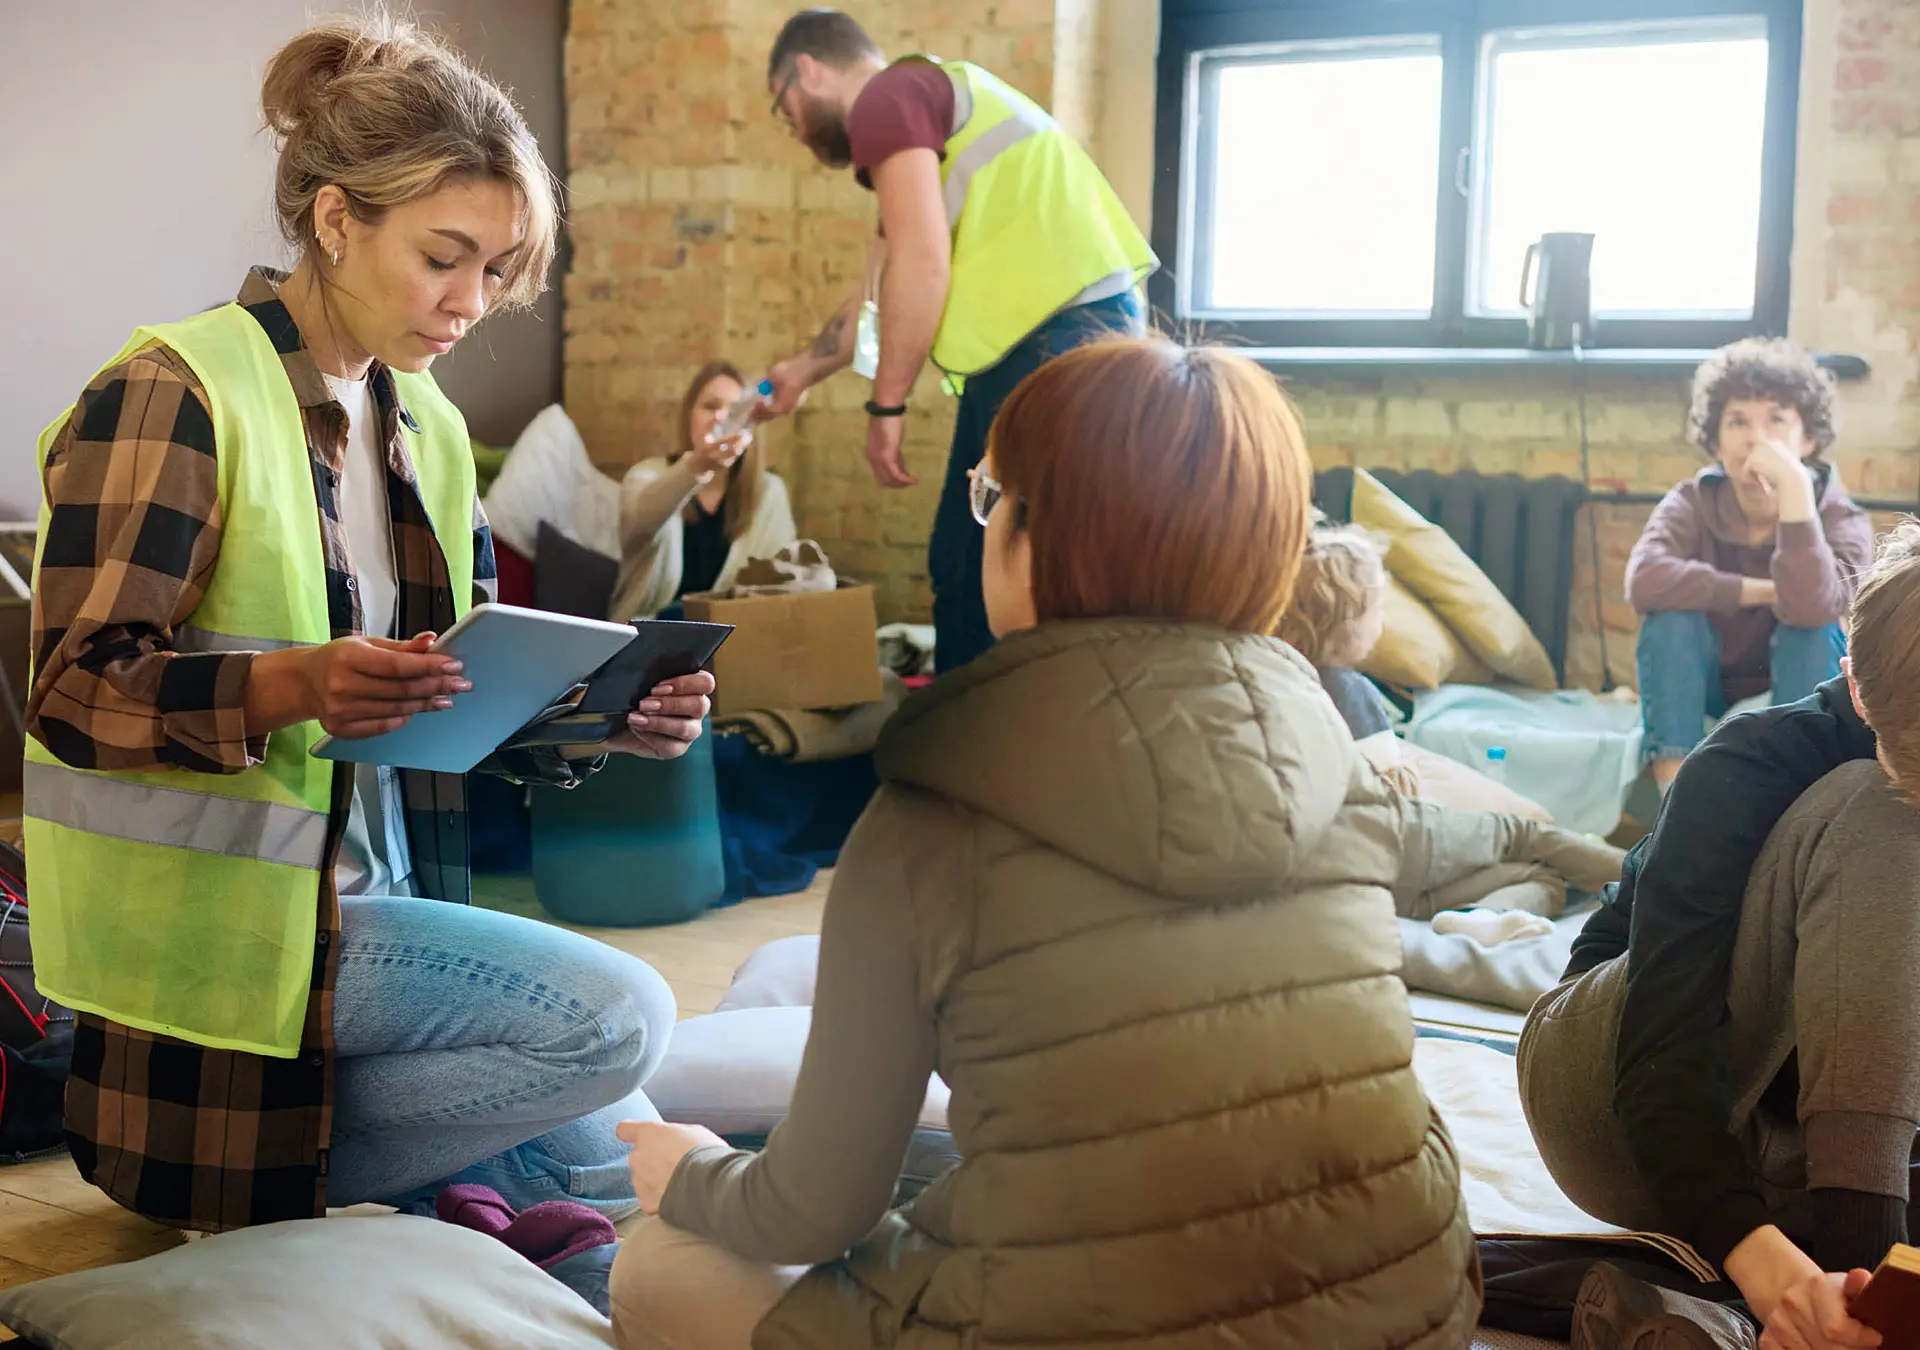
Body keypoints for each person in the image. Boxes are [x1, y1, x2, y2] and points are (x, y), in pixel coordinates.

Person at [604, 336, 1482, 1350]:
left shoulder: (934, 810)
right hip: (1410, 1307)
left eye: (990, 497)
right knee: (785, 977)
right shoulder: (1340, 756)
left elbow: (816, 1211)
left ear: (1031, 533)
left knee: (659, 1263)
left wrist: (693, 1176)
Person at [23, 16, 710, 1235]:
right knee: (622, 1023)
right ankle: (327, 1196)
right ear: (336, 221)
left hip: (367, 918)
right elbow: (76, 689)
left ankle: (450, 1210)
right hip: (219, 966)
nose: (472, 303)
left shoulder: (423, 426)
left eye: (497, 270)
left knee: (613, 1168)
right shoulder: (175, 392)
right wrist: (292, 689)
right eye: (445, 257)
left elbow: (450, 703)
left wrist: (607, 722)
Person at [1520, 520, 1920, 1350]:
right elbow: (1658, 1063)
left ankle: (1724, 1312)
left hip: (1782, 1140)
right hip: (1612, 1081)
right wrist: (1789, 1274)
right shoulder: (1748, 765)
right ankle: (1847, 1291)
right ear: (1853, 687)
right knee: (1883, 814)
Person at [752, 9, 1157, 673]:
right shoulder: (918, 112)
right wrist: (802, 370)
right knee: (970, 556)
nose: (791, 126)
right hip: (1058, 334)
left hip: (1060, 336)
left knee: (987, 561)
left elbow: (922, 260)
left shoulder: (888, 97)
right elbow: (881, 294)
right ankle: (982, 734)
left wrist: (886, 409)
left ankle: (974, 741)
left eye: (783, 105)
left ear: (809, 70)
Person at [1280, 525, 1624, 925]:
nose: (1382, 620)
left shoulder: (1288, 677)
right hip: (1390, 846)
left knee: (1536, 876)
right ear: (1352, 621)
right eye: (1379, 608)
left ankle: (1479, 919)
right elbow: (1396, 794)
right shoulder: (1348, 690)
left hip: (1356, 877)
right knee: (1530, 837)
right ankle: (1656, 876)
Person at [1626, 338, 1873, 792]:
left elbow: (1812, 608)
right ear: (1716, 441)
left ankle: (1793, 796)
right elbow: (1644, 579)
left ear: (1809, 439)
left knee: (1815, 628)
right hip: (1707, 685)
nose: (1756, 438)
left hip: (1797, 686)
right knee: (1668, 620)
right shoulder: (1692, 501)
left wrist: (1796, 494)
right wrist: (1763, 590)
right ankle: (1674, 800)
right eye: (1738, 421)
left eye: (1776, 420)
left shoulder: (1842, 517)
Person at [608, 361, 798, 621]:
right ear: (689, 414)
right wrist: (696, 467)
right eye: (710, 406)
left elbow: (780, 588)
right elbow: (638, 523)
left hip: (732, 641)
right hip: (646, 636)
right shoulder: (646, 476)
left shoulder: (769, 493)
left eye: (734, 409)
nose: (720, 417)